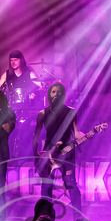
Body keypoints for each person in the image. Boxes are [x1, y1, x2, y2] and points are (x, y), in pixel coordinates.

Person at [34, 82, 83, 211]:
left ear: (63, 95)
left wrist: (86, 135)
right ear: (49, 94)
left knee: (71, 183)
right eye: (53, 91)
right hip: (50, 152)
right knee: (47, 185)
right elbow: (36, 137)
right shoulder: (42, 114)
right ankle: (45, 218)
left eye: (59, 92)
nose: (56, 94)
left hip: (67, 152)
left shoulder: (71, 112)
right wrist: (35, 156)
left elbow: (76, 132)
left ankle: (78, 219)